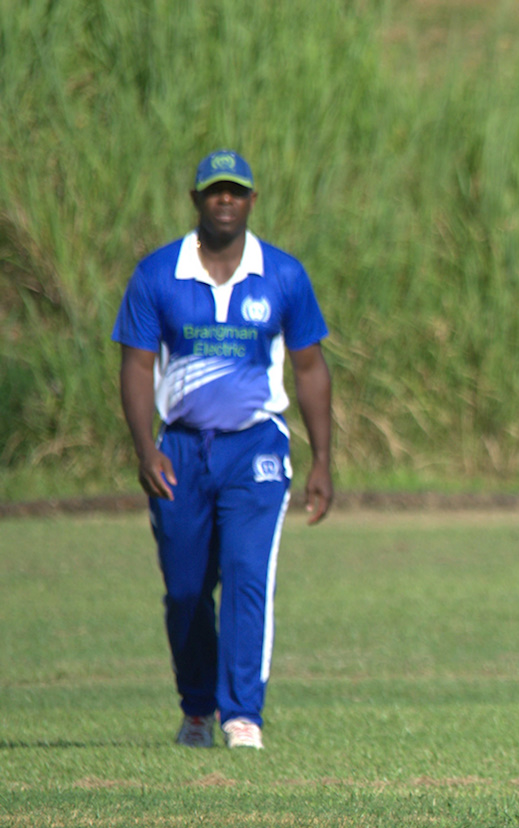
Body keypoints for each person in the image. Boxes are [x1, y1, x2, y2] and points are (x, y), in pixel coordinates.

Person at [113, 150, 333, 751]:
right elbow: (135, 367)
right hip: (180, 451)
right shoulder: (159, 275)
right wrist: (144, 449)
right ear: (197, 201)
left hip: (256, 449)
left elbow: (311, 370)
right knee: (186, 590)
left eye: (236, 192)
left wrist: (322, 461)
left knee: (245, 575)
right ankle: (195, 710)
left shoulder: (282, 276)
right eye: (215, 192)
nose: (226, 201)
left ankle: (242, 717)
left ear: (252, 201)